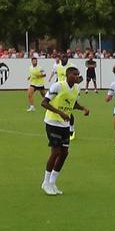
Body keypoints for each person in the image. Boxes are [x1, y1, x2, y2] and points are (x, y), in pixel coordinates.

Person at [38, 66, 89, 195]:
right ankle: (45, 182)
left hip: (64, 125)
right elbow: (44, 103)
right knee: (55, 152)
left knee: (64, 153)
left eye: (78, 75)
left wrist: (83, 108)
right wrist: (60, 113)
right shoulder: (58, 86)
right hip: (52, 122)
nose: (77, 77)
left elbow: (73, 104)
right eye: (74, 75)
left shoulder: (77, 89)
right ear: (68, 75)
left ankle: (53, 182)